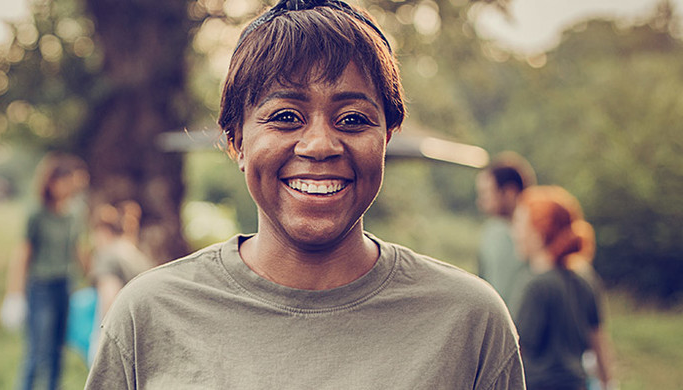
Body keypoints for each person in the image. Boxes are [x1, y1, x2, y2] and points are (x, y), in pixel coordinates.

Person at [85, 1, 524, 388]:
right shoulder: (150, 315)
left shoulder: (469, 322)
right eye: (286, 116)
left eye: (352, 119)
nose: (319, 145)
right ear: (236, 140)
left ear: (387, 137)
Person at [511, 186, 616, 390]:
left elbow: (515, 352)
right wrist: (608, 384)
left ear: (539, 233)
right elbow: (599, 341)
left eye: (520, 224)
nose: (515, 233)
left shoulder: (536, 285)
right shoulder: (585, 278)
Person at [1, 154, 88, 390]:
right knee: (37, 350)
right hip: (41, 287)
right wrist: (14, 294)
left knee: (57, 352)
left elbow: (76, 249)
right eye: (66, 181)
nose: (70, 186)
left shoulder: (75, 212)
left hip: (65, 286)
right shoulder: (37, 213)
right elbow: (22, 255)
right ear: (51, 182)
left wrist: (90, 277)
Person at [85, 202, 154, 363]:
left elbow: (109, 295)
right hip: (143, 337)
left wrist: (102, 340)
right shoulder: (135, 253)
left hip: (120, 338)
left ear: (102, 231)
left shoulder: (108, 256)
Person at [477, 152, 538, 312]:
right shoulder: (492, 231)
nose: (481, 202)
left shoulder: (499, 234)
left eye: (487, 193)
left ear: (509, 192)